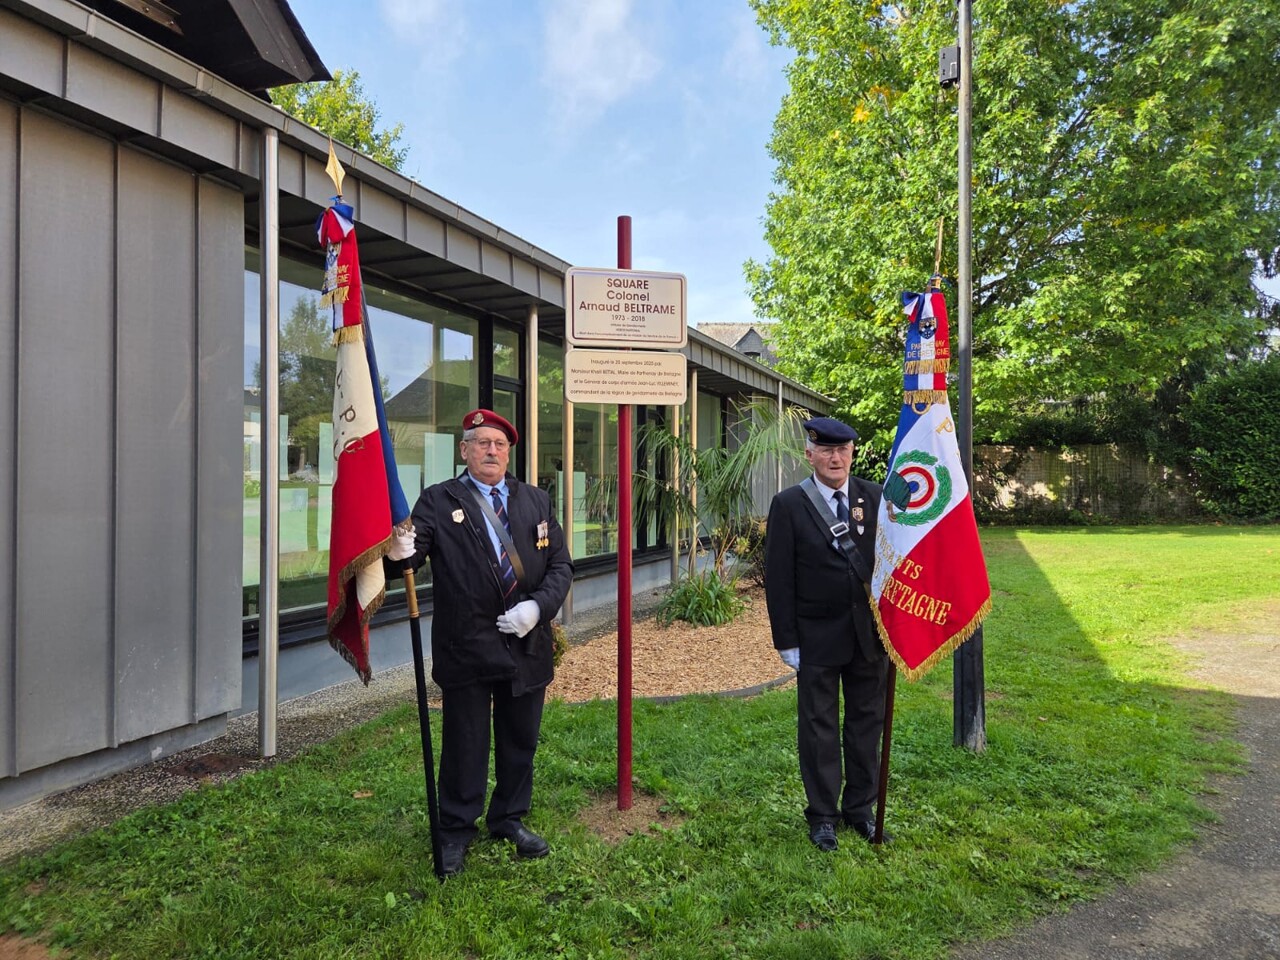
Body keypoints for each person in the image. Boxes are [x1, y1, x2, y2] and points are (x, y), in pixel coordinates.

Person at [387, 408, 573, 877]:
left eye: (499, 444)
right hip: (466, 643)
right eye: (482, 443)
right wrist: (395, 552)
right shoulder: (439, 499)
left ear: (508, 453)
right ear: (464, 450)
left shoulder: (535, 500)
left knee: (520, 738)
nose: (492, 451)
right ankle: (454, 829)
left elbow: (560, 566)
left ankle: (509, 817)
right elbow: (408, 561)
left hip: (526, 642)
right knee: (465, 742)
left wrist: (537, 609)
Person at [764, 415, 908, 852]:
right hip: (816, 637)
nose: (835, 458)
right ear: (809, 454)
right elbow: (779, 579)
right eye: (825, 450)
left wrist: (898, 623)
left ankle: (860, 809)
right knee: (819, 727)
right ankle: (823, 815)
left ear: (852, 453)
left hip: (869, 637)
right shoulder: (789, 504)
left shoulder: (876, 496)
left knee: (867, 724)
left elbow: (895, 561)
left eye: (842, 450)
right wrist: (787, 640)